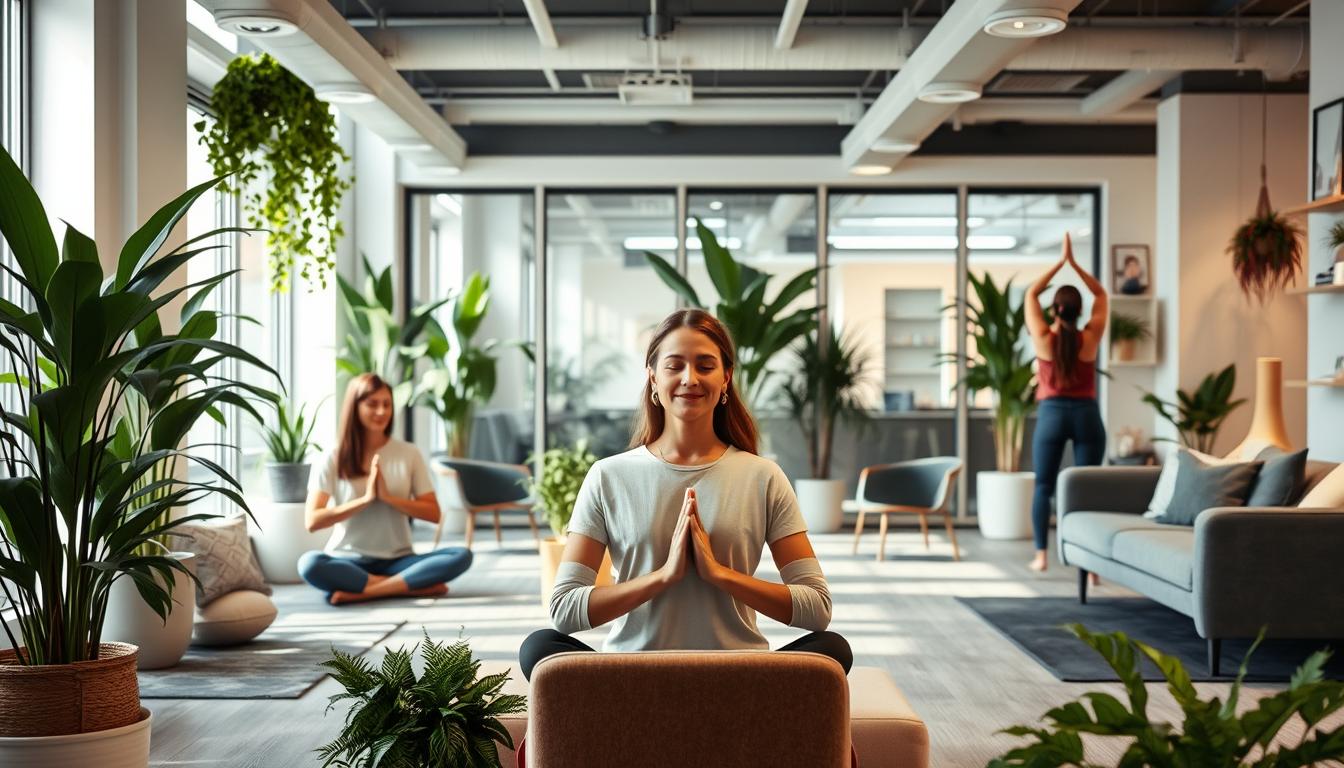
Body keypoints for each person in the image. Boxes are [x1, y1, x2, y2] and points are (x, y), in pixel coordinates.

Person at [518, 309, 850, 680]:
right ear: (653, 379)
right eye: (674, 366)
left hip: (734, 676)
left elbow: (817, 607)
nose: (690, 378)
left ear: (725, 379)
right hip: (636, 675)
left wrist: (721, 575)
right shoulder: (608, 476)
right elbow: (563, 609)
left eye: (705, 366)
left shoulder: (763, 476)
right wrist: (662, 577)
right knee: (541, 647)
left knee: (832, 650)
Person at [299, 373, 473, 604]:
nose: (381, 411)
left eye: (386, 404)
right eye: (372, 404)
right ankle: (407, 586)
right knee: (309, 564)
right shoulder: (333, 456)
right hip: (349, 560)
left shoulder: (409, 453)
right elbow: (313, 520)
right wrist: (366, 500)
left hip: (399, 560)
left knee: (461, 555)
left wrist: (388, 498)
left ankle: (369, 590)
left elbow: (433, 513)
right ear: (354, 406)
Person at [1024, 234, 1108, 572]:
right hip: (1086, 415)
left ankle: (1042, 555)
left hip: (1052, 414)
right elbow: (1102, 294)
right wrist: (1076, 267)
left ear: (1055, 309)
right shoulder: (1090, 338)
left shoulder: (1044, 340)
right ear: (1078, 310)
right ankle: (1089, 567)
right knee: (1086, 488)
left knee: (1044, 485)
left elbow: (1031, 293)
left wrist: (1059, 264)